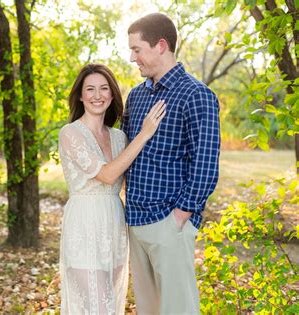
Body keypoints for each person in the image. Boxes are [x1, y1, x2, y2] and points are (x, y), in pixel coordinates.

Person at [123, 13, 221, 314]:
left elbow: (205, 165)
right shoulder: (136, 96)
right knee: (149, 309)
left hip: (169, 220)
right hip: (135, 220)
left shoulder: (197, 95)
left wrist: (180, 215)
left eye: (137, 49)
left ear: (161, 45)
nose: (132, 57)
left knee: (179, 308)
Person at [58, 63, 166, 314]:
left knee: (112, 302)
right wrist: (145, 133)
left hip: (114, 224)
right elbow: (107, 175)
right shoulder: (70, 133)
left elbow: (133, 179)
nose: (98, 95)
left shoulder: (119, 137)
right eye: (90, 89)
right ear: (81, 95)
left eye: (104, 88)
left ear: (112, 94)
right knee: (98, 302)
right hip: (84, 224)